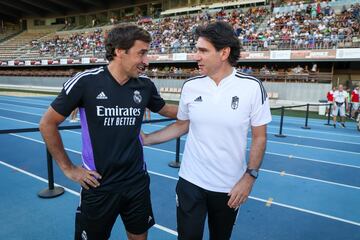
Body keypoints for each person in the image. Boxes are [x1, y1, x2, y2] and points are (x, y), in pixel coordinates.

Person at [39, 24, 178, 240]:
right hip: (99, 185)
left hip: (137, 182)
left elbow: (169, 111)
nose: (146, 61)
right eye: (141, 53)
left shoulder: (145, 85)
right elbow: (47, 124)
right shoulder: (86, 82)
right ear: (120, 51)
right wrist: (69, 169)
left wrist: (204, 108)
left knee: (139, 237)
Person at [141, 21, 272, 240]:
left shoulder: (251, 87)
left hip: (229, 187)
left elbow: (260, 137)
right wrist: (146, 139)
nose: (196, 56)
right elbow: (182, 125)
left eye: (203, 50)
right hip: (190, 182)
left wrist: (249, 178)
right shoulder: (191, 86)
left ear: (224, 53)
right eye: (196, 50)